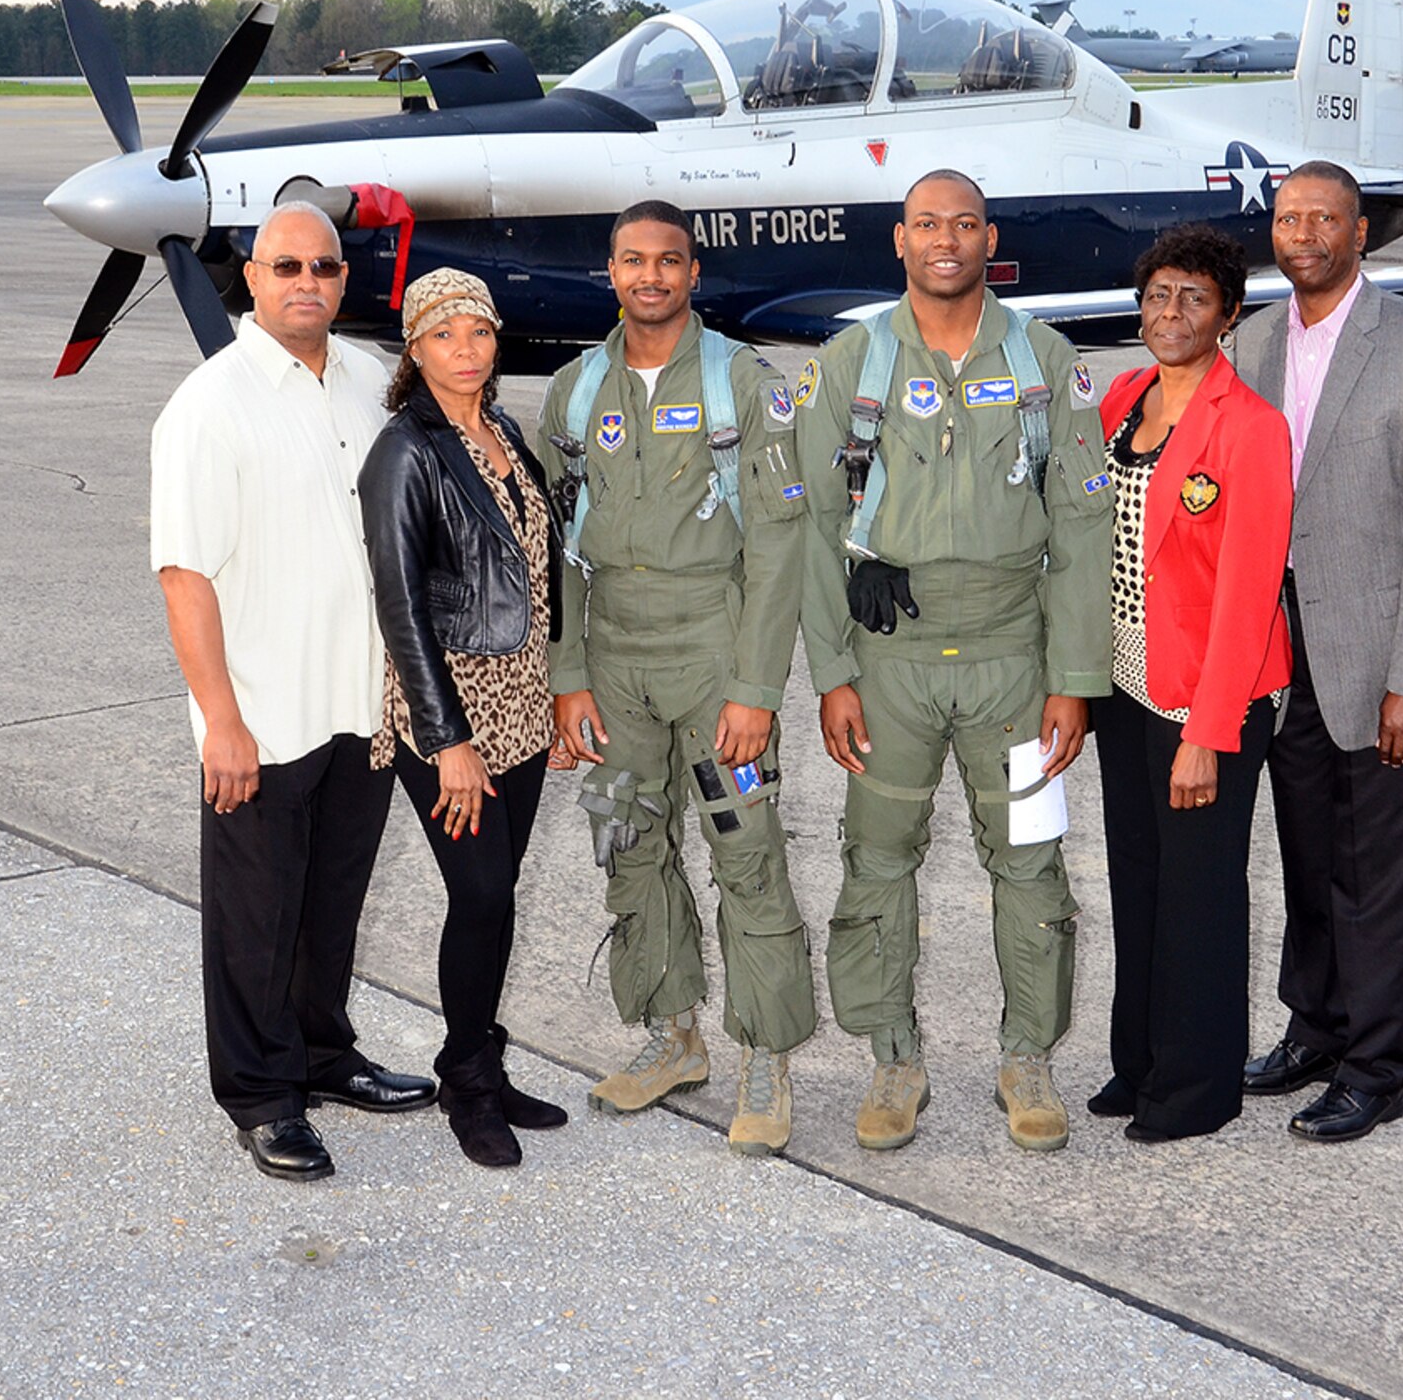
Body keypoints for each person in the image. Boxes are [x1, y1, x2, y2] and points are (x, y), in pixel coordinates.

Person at [796, 169, 1114, 1154]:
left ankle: (1027, 1058)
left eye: (963, 223)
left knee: (1031, 864)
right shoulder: (850, 360)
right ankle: (892, 1058)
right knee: (876, 864)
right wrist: (831, 674)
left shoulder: (1043, 361)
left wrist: (1074, 678)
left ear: (989, 237)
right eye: (927, 224)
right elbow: (814, 526)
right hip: (888, 663)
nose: (945, 239)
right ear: (900, 239)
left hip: (1012, 662)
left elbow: (1081, 523)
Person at [150, 200, 435, 1183]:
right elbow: (184, 573)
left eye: (322, 265)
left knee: (330, 904)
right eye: (285, 267)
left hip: (360, 705)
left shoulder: (369, 380)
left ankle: (322, 1054)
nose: (306, 281)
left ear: (342, 279)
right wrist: (218, 719)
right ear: (253, 279)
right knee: (255, 914)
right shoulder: (209, 404)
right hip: (263, 714)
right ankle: (263, 1095)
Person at [541, 200, 816, 1156]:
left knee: (745, 852)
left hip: (713, 651)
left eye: (668, 261)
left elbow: (780, 546)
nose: (649, 276)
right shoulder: (575, 393)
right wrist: (568, 676)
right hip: (614, 659)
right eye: (632, 260)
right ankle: (673, 1034)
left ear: (694, 273)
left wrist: (755, 688)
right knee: (628, 845)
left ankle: (766, 1055)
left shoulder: (745, 384)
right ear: (609, 272)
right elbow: (556, 553)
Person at [1233, 160, 1403, 1143]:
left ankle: (1376, 1067)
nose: (1301, 233)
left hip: (1386, 660)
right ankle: (1316, 1027)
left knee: (1383, 872)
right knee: (1306, 858)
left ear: (1358, 233)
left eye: (1322, 218)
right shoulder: (1251, 343)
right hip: (1285, 660)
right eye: (1288, 217)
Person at [359, 268, 573, 1168]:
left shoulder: (504, 430)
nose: (467, 350)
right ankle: (468, 1084)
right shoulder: (403, 453)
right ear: (416, 348)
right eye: (445, 335)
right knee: (479, 892)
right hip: (450, 711)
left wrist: (558, 693)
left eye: (479, 332)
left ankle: (478, 1054)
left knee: (497, 897)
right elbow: (401, 607)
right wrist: (449, 744)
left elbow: (536, 571)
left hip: (520, 702)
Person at [1087, 225, 1293, 1143]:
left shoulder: (1250, 428)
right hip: (1129, 684)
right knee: (1138, 880)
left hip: (1212, 697)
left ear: (1229, 315)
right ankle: (1141, 1062)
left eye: (1194, 299)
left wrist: (1208, 732)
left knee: (1200, 895)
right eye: (1158, 296)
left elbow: (1249, 598)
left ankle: (1199, 1089)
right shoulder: (1124, 400)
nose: (1170, 314)